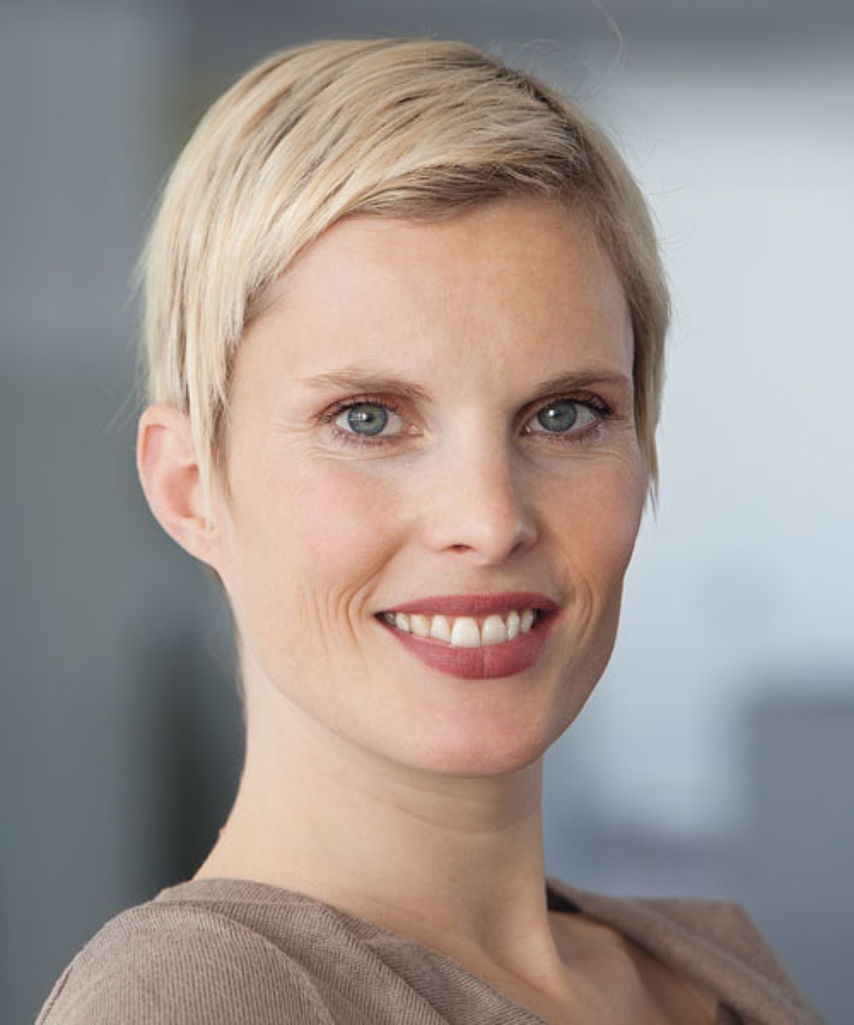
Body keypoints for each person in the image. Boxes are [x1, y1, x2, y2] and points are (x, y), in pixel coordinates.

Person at [37, 37, 821, 1025]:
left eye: (564, 414)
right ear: (190, 488)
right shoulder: (189, 1001)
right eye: (367, 417)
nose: (489, 519)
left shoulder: (711, 962)